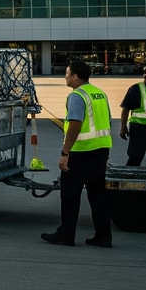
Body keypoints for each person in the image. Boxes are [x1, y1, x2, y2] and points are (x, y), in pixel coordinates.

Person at [42, 59, 112, 247]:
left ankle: (66, 234)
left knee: (70, 195)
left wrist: (65, 152)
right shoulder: (99, 93)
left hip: (81, 152)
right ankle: (103, 236)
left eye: (67, 73)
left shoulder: (77, 96)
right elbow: (107, 120)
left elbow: (75, 124)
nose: (65, 77)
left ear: (75, 76)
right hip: (101, 150)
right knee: (98, 195)